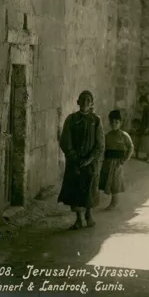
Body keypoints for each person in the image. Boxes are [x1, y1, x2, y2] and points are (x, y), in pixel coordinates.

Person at [58, 90, 105, 229]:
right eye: (82, 100)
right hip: (75, 162)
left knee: (90, 187)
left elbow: (100, 144)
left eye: (88, 101)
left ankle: (89, 214)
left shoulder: (96, 121)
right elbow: (65, 142)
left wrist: (90, 158)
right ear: (78, 102)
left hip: (91, 163)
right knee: (75, 189)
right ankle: (78, 218)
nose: (85, 103)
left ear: (92, 104)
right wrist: (74, 157)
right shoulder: (71, 119)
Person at [99, 110, 134, 210]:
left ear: (120, 123)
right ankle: (112, 201)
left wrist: (124, 159)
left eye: (116, 122)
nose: (114, 124)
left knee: (115, 181)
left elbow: (130, 147)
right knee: (108, 179)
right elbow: (103, 148)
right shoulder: (107, 136)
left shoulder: (124, 135)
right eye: (112, 122)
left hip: (118, 162)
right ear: (109, 123)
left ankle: (114, 202)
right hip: (108, 161)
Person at [136, 95, 149, 163]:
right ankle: (147, 157)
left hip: (148, 130)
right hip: (148, 129)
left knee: (148, 144)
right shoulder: (147, 108)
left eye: (141, 103)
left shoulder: (148, 108)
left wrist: (147, 127)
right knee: (147, 144)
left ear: (143, 102)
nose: (141, 105)